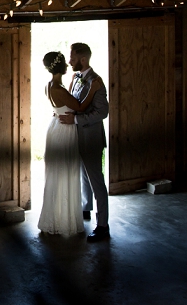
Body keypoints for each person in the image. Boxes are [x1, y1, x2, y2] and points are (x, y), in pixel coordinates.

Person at [37, 51, 103, 236]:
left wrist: (74, 82)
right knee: (66, 172)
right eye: (65, 63)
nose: (68, 64)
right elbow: (79, 107)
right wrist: (93, 89)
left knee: (59, 173)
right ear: (60, 67)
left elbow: (64, 102)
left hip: (56, 127)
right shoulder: (58, 89)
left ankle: (57, 216)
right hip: (65, 132)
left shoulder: (52, 85)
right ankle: (64, 219)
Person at [58, 42, 110, 242]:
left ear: (83, 59)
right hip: (78, 136)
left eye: (72, 57)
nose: (69, 61)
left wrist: (77, 119)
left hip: (91, 138)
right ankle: (86, 208)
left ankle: (103, 225)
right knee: (84, 175)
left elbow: (102, 112)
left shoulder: (96, 81)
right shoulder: (76, 77)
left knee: (96, 180)